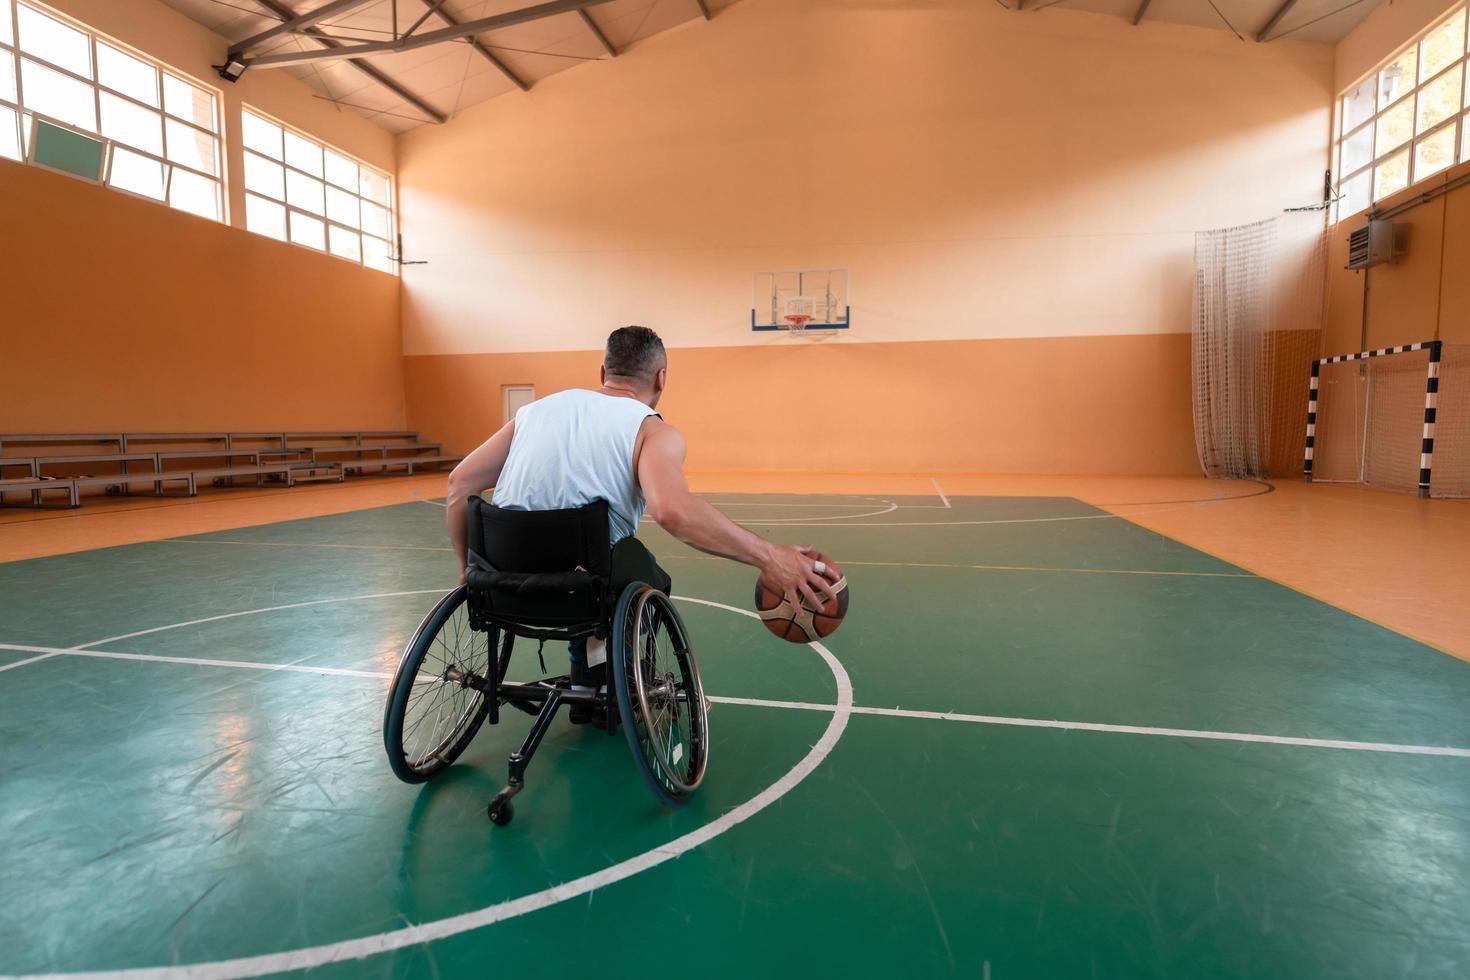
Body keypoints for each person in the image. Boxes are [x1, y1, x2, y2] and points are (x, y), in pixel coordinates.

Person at [444, 325, 841, 713]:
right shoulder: (651, 431)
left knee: (599, 566)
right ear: (661, 378)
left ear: (603, 373)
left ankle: (589, 669)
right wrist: (769, 556)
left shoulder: (533, 412)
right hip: (582, 586)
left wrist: (468, 571)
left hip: (499, 581)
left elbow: (460, 484)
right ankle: (612, 677)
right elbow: (672, 510)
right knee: (644, 575)